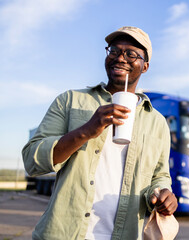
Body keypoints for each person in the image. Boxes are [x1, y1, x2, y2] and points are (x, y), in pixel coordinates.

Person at [22, 26, 178, 240]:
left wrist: (162, 195)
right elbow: (32, 160)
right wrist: (87, 130)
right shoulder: (70, 101)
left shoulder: (157, 122)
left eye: (131, 54)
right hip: (65, 233)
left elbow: (160, 176)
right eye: (114, 51)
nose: (120, 58)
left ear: (145, 66)